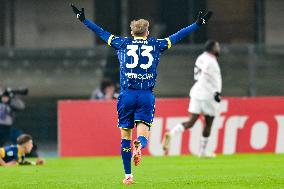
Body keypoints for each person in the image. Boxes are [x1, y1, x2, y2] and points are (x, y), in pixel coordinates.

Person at [71, 4, 212, 185]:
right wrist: (196, 25)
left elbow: (101, 32)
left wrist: (83, 20)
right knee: (142, 134)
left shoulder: (121, 43)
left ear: (132, 33)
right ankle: (140, 144)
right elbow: (177, 37)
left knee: (125, 136)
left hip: (126, 95)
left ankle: (128, 176)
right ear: (147, 32)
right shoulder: (156, 44)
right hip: (145, 95)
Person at [162, 40, 222, 158]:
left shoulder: (201, 57)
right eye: (217, 46)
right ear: (212, 48)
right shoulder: (211, 61)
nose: (218, 48)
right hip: (208, 94)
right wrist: (216, 92)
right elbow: (207, 75)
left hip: (196, 91)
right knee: (209, 122)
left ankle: (171, 133)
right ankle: (203, 151)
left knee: (191, 121)